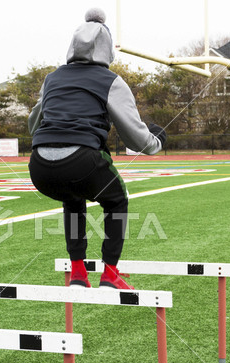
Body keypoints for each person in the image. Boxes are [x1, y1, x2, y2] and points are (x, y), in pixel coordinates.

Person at [28, 8, 166, 289]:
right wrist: (157, 142)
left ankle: (78, 272)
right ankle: (110, 273)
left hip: (39, 167)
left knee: (72, 198)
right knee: (116, 201)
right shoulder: (111, 81)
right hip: (82, 160)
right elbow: (136, 137)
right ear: (107, 50)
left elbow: (34, 123)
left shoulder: (51, 79)